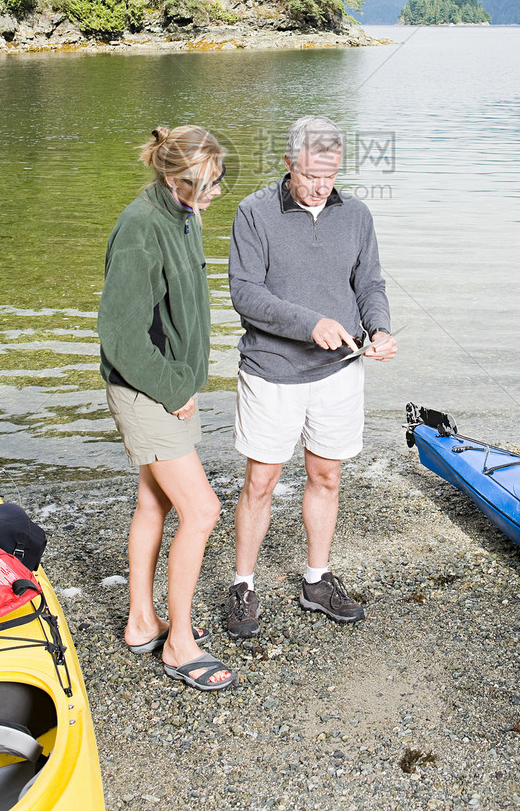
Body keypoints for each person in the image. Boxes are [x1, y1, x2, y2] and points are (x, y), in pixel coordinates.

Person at [225, 115, 397, 638]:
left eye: (330, 175)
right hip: (272, 372)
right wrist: (311, 323)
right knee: (262, 481)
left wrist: (380, 328)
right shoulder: (253, 213)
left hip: (339, 372)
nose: (321, 187)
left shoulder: (357, 215)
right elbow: (246, 296)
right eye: (310, 176)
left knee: (327, 477)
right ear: (288, 165)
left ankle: (316, 581)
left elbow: (369, 283)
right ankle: (242, 584)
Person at [98, 125, 237, 692]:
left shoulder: (184, 213)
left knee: (153, 500)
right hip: (147, 388)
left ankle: (140, 622)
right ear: (168, 175)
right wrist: (174, 389)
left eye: (216, 181)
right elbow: (121, 336)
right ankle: (179, 643)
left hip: (168, 385)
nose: (211, 192)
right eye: (199, 184)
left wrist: (185, 379)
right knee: (202, 512)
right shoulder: (141, 225)